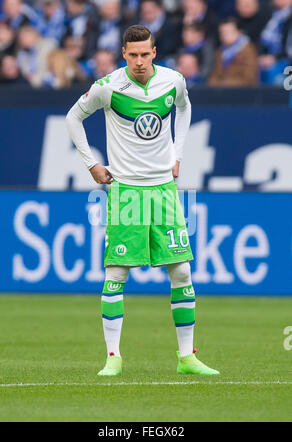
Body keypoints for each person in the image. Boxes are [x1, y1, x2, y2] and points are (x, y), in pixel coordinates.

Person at [66, 24, 220, 377]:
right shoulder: (108, 88)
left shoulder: (173, 81)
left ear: (154, 52)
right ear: (124, 54)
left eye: (144, 54)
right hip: (126, 191)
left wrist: (179, 153)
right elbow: (73, 117)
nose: (138, 61)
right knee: (117, 272)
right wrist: (91, 164)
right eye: (132, 55)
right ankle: (113, 357)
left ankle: (186, 358)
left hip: (164, 189)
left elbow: (185, 108)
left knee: (181, 270)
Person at [209, 17, 258, 86]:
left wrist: (224, 85)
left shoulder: (248, 50)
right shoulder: (220, 52)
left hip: (242, 92)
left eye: (228, 32)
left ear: (239, 32)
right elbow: (214, 76)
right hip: (221, 92)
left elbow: (249, 78)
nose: (224, 35)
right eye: (222, 32)